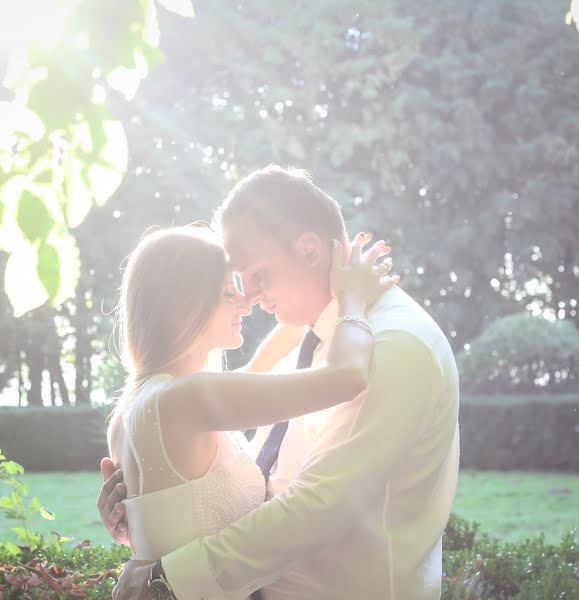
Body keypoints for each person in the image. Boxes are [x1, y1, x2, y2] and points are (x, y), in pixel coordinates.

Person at [100, 165, 460, 600]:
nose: (248, 296)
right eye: (235, 282)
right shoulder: (308, 340)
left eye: (257, 275)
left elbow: (320, 506)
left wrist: (168, 578)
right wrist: (152, 504)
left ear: (309, 250)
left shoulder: (394, 345)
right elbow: (256, 481)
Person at [106, 225, 397, 575]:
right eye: (229, 292)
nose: (246, 303)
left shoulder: (133, 410)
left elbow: (261, 364)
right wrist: (352, 298)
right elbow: (347, 376)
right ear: (185, 304)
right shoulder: (185, 400)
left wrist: (316, 283)